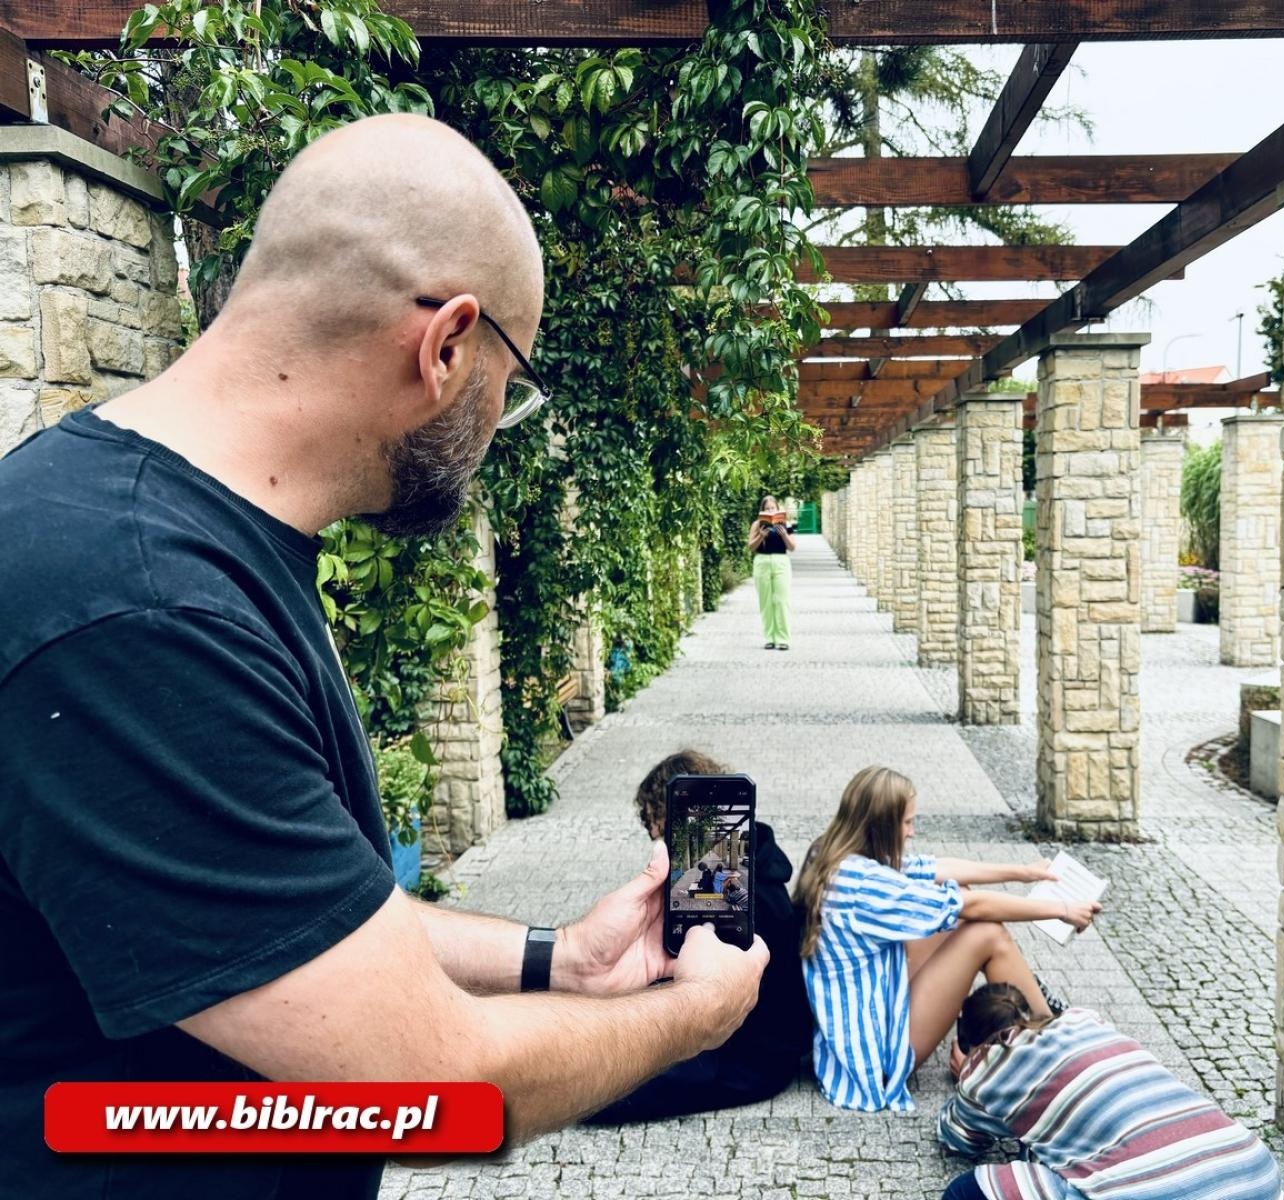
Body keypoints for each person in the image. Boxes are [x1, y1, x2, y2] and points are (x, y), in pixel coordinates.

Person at [0, 115, 767, 1200]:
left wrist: (561, 961)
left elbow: (293, 917)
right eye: (513, 382)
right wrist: (691, 1014)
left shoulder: (172, 546)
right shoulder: (139, 609)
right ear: (447, 346)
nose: (500, 418)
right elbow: (429, 1078)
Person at [793, 766, 1100, 1113]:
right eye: (907, 822)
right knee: (988, 933)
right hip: (876, 1055)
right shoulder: (864, 884)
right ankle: (1056, 1049)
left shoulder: (835, 853)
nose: (912, 832)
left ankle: (1033, 1010)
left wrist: (1022, 872)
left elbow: (937, 869)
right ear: (880, 824)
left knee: (958, 902)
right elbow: (974, 906)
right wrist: (1060, 909)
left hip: (861, 1015)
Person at [587, 751, 812, 1124]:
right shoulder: (735, 862)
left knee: (612, 1089)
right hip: (731, 1036)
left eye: (660, 829)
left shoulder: (740, 888)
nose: (657, 841)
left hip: (753, 1055)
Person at [938, 984, 1284, 1200]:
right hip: (1253, 1166)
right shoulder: (1084, 1020)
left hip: (1144, 1191)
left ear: (973, 1040)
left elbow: (958, 1140)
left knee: (966, 1191)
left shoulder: (983, 1071)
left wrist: (966, 1073)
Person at [747, 494, 795, 650]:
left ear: (777, 508)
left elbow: (792, 547)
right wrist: (761, 536)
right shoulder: (757, 524)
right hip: (762, 562)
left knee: (781, 601)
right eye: (767, 509)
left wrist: (784, 534)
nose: (770, 510)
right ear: (762, 510)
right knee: (766, 602)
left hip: (781, 562)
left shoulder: (785, 523)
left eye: (772, 508)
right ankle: (769, 637)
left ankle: (783, 639)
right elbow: (751, 547)